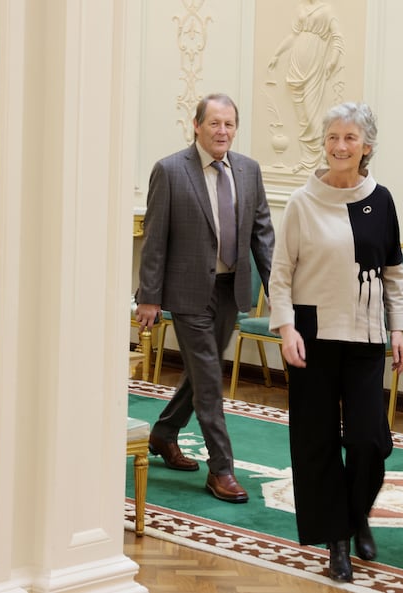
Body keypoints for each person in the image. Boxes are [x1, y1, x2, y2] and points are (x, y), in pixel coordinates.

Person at [267, 102, 403, 582]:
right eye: (333, 137)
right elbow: (280, 273)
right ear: (324, 143)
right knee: (316, 442)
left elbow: (393, 273)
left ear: (366, 146)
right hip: (311, 336)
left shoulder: (381, 199)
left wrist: (398, 329)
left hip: (366, 336)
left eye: (350, 138)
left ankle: (358, 510)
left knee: (369, 439)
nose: (340, 146)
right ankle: (338, 541)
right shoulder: (303, 202)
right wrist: (285, 329)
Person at [135, 93, 275, 504]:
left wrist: (279, 292)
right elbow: (155, 238)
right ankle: (222, 469)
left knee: (201, 372)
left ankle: (163, 433)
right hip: (188, 291)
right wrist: (149, 296)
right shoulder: (171, 170)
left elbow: (262, 234)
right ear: (196, 126)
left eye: (229, 124)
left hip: (230, 289)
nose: (222, 131)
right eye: (214, 123)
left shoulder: (248, 170)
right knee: (210, 379)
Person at [267, 0, 344, 173]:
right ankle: (306, 161)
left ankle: (317, 161)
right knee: (302, 118)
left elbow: (337, 37)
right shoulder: (301, 9)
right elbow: (293, 36)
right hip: (296, 65)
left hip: (315, 64)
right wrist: (277, 55)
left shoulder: (326, 10)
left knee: (312, 114)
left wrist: (333, 60)